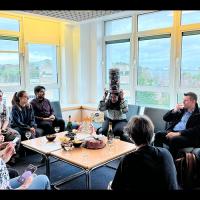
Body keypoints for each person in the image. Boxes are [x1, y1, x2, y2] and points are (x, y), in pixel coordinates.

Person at [111, 115, 179, 190]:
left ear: (130, 137)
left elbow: (115, 187)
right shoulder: (166, 153)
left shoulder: (128, 159)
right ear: (152, 135)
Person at [154, 92, 200, 159]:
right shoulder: (181, 110)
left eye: (186, 100)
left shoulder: (198, 114)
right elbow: (165, 118)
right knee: (158, 135)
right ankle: (158, 158)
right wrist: (175, 110)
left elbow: (196, 130)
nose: (183, 102)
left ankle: (169, 162)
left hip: (188, 137)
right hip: (173, 132)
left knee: (174, 140)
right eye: (183, 100)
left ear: (193, 101)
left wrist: (178, 134)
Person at [0, 90, 21, 163]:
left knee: (16, 135)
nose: (1, 98)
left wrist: (2, 130)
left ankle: (12, 157)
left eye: (1, 96)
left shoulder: (4, 106)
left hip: (4, 128)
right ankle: (3, 159)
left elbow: (6, 120)